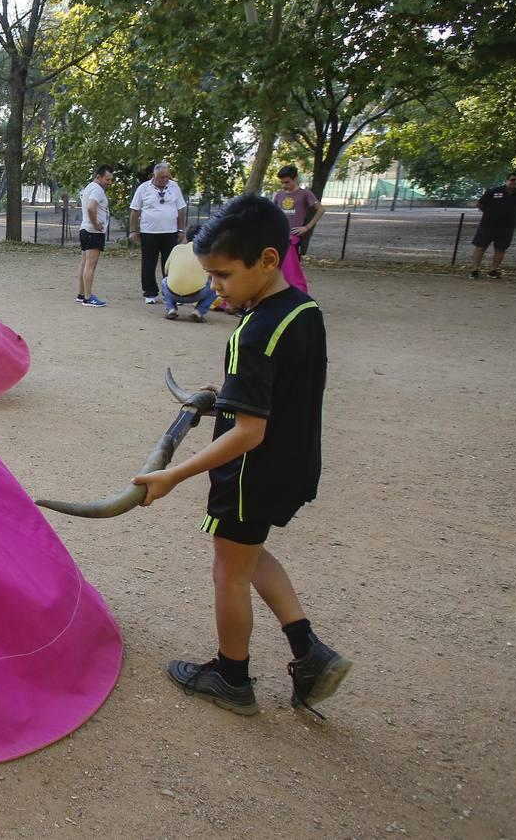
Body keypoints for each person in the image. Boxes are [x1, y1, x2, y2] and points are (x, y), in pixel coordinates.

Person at [131, 194, 351, 718]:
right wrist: (226, 397)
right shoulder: (302, 309)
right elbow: (275, 395)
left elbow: (250, 432)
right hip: (293, 464)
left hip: (253, 472)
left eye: (224, 276)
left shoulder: (252, 333)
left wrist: (173, 475)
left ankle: (231, 677)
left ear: (268, 260)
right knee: (246, 555)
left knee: (228, 570)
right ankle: (308, 649)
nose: (214, 288)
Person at [130, 162, 187, 304]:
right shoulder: (143, 188)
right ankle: (150, 293)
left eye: (167, 177)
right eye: (162, 177)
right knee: (148, 263)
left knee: (170, 264)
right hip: (149, 232)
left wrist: (181, 229)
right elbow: (134, 211)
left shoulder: (174, 187)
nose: (165, 180)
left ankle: (172, 292)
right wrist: (133, 230)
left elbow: (180, 210)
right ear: (154, 176)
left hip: (170, 232)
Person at [273, 165, 323, 293]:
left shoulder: (305, 193)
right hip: (278, 236)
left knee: (291, 268)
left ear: (295, 178)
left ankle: (296, 293)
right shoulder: (278, 195)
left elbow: (321, 210)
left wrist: (307, 227)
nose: (284, 185)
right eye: (282, 182)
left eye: (287, 182)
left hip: (293, 238)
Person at [469, 172, 516, 279]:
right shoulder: (494, 191)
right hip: (487, 225)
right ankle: (475, 270)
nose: (515, 182)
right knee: (480, 247)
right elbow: (480, 204)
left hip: (507, 227)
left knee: (500, 249)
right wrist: (490, 213)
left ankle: (493, 270)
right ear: (507, 180)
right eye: (513, 179)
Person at [161, 225, 218, 322]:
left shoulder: (177, 248)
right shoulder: (207, 252)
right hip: (196, 294)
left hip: (172, 293)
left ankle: (171, 309)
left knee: (164, 281)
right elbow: (213, 273)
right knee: (215, 285)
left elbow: (166, 271)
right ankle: (199, 311)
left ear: (186, 236)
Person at [76, 165, 114, 308]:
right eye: (107, 179)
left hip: (85, 230)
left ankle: (81, 294)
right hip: (93, 232)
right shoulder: (97, 190)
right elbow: (91, 207)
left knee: (84, 263)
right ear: (98, 176)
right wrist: (96, 224)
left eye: (111, 180)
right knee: (90, 265)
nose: (109, 182)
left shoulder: (89, 187)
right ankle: (87, 297)